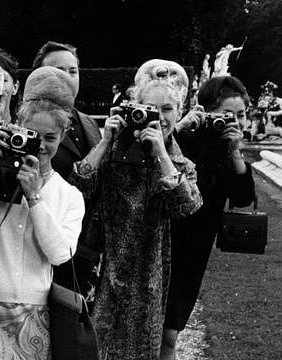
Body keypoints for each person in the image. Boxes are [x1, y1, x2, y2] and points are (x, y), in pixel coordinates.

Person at [72, 63, 202, 359]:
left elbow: (187, 205)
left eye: (167, 109)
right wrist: (106, 141)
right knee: (91, 348)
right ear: (134, 109)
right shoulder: (113, 150)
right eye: (149, 109)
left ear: (179, 113)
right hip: (102, 270)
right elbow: (79, 187)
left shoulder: (180, 165)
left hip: (147, 280)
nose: (159, 117)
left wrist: (161, 155)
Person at [0, 66, 85, 359]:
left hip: (35, 310)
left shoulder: (68, 194)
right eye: (32, 135)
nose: (40, 146)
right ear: (17, 125)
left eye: (50, 138)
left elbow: (60, 254)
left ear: (63, 135)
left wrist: (34, 197)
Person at [161, 76, 256, 360]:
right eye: (227, 115)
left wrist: (235, 151)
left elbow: (242, 198)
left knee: (173, 328)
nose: (235, 121)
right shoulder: (186, 138)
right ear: (206, 111)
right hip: (167, 239)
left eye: (241, 114)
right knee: (162, 330)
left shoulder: (230, 148)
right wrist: (181, 127)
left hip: (196, 248)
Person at [31, 40, 102, 305]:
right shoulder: (29, 123)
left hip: (86, 247)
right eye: (58, 70)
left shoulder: (89, 123)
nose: (67, 77)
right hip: (45, 245)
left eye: (73, 70)